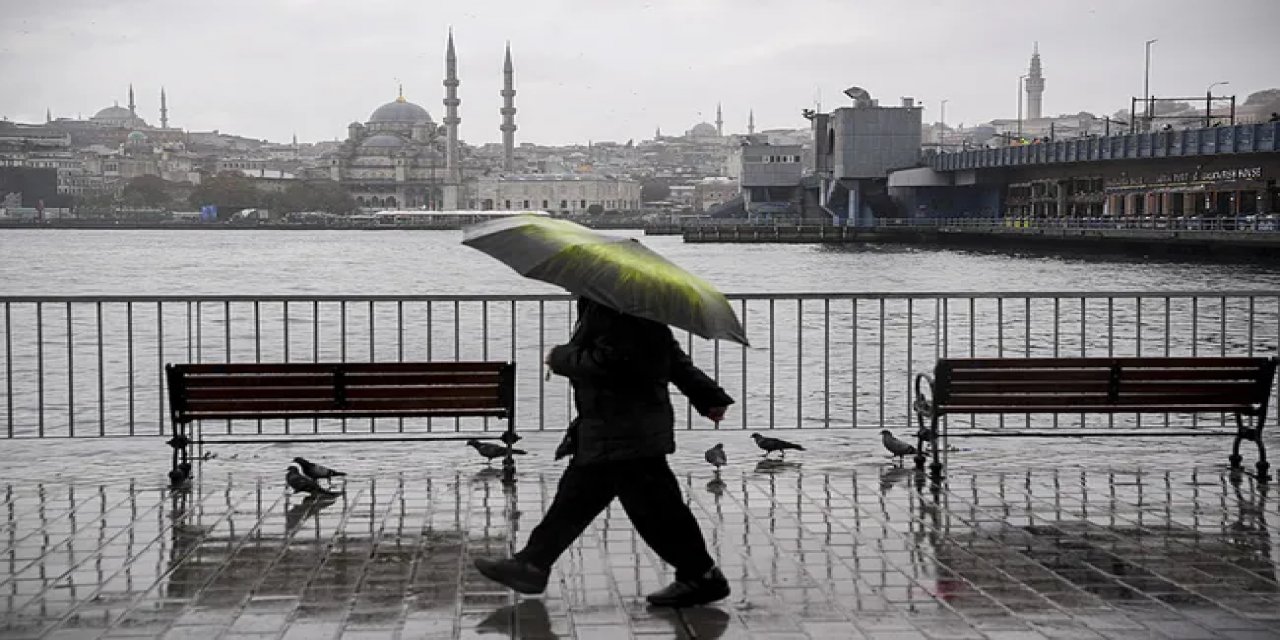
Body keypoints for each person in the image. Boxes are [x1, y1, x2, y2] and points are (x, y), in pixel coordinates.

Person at [474, 296, 734, 608]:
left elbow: (611, 363)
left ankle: (701, 575)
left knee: (654, 510)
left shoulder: (617, 309)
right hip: (616, 427)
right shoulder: (630, 306)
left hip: (625, 428)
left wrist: (561, 357)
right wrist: (708, 396)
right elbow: (671, 357)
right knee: (580, 499)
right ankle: (532, 564)